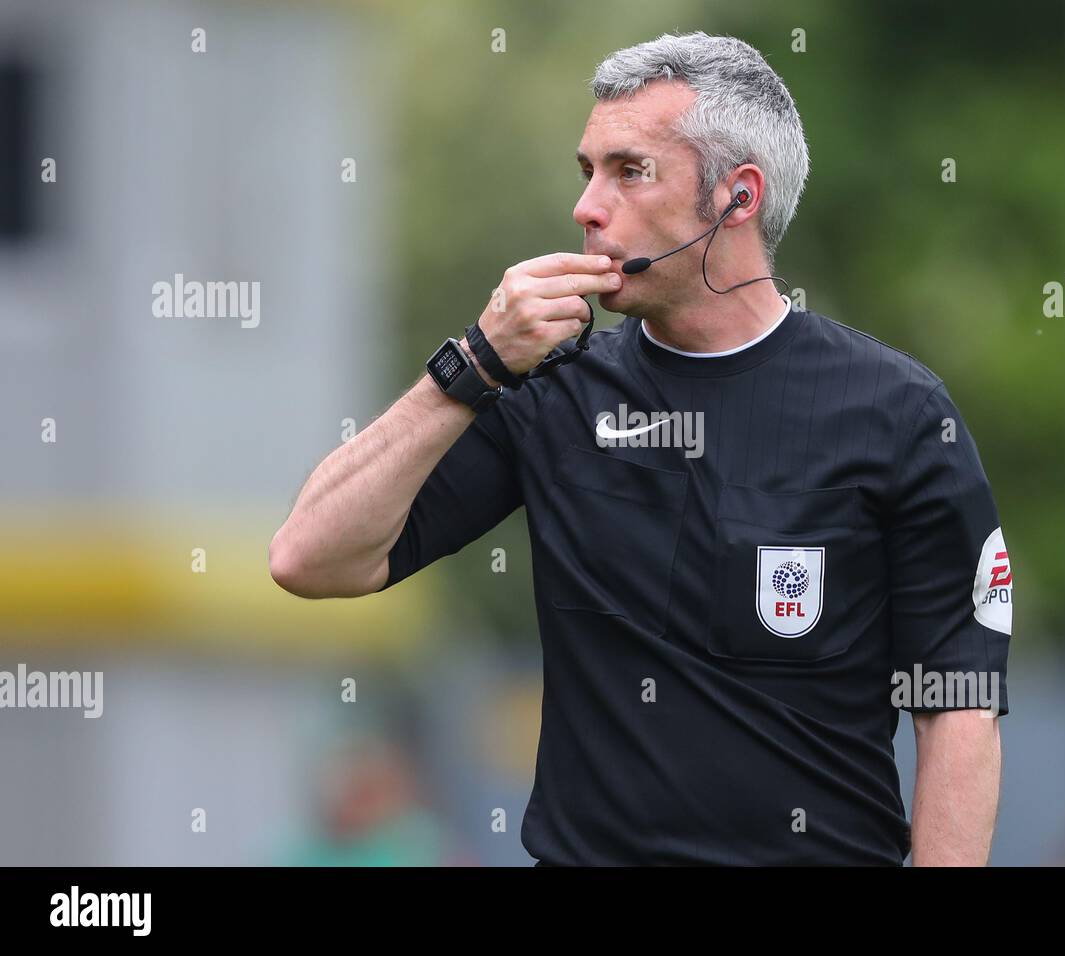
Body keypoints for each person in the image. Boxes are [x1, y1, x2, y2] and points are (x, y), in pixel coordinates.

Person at [270, 31, 1012, 866]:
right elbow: (311, 558)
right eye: (586, 171)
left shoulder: (898, 415)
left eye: (629, 171)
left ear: (737, 198)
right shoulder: (550, 387)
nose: (588, 206)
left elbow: (956, 707)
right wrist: (471, 363)